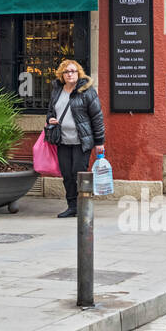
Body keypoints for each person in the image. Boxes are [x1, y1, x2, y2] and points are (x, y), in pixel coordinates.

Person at [45, 59, 106, 218]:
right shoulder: (57, 91)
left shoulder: (87, 92)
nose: (69, 74)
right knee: (67, 175)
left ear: (78, 73)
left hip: (81, 141)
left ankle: (83, 206)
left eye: (73, 71)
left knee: (78, 173)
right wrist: (50, 119)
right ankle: (72, 206)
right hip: (63, 141)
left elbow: (97, 118)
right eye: (66, 72)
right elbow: (51, 111)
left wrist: (99, 142)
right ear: (62, 75)